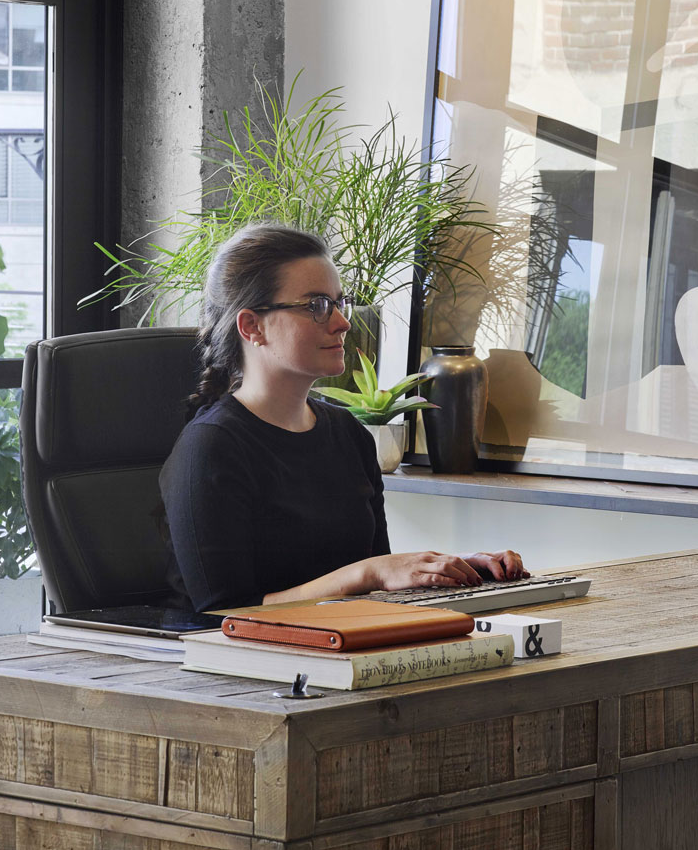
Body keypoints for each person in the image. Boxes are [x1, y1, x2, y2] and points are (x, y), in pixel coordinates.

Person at [159, 224, 526, 613]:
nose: (342, 323)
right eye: (316, 306)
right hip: (242, 666)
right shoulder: (211, 447)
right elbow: (224, 611)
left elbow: (374, 583)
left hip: (345, 649)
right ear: (252, 326)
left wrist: (444, 570)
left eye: (338, 303)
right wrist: (368, 574)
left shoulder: (349, 434)